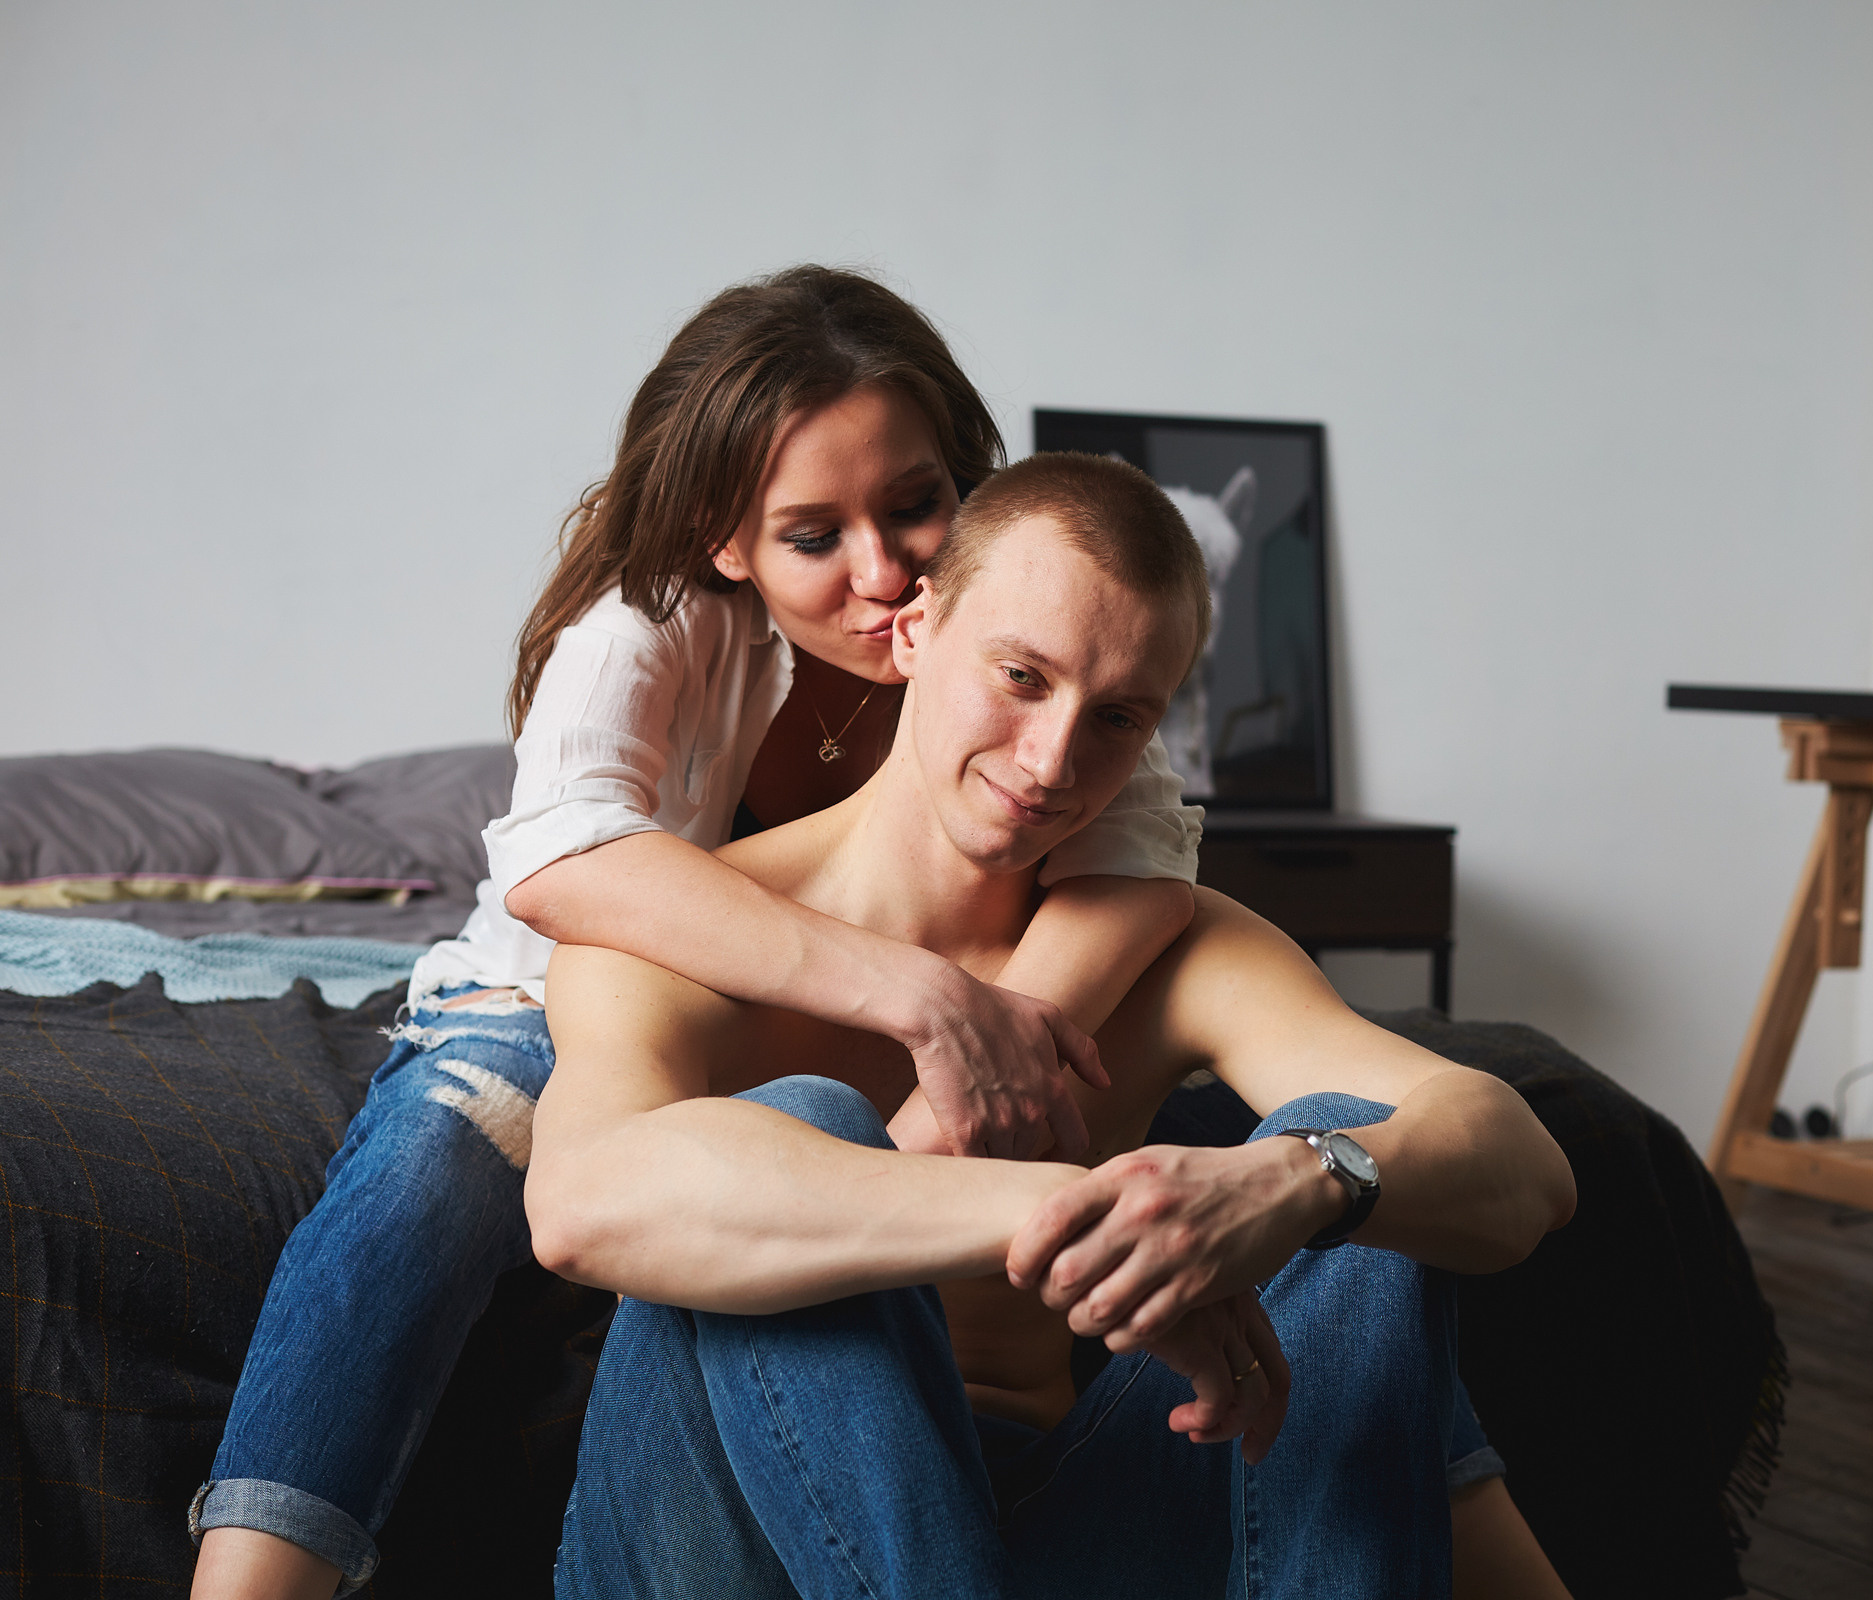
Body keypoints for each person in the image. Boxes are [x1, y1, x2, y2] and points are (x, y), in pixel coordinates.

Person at [188, 269, 1203, 1600]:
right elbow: (559, 859)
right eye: (812, 535)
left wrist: (1003, 1049)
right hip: (565, 993)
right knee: (424, 1181)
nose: (883, 570)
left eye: (913, 506)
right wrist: (916, 998)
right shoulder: (645, 630)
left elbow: (1143, 846)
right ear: (727, 541)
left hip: (858, 1024)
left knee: (1240, 1134)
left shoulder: (1016, 645)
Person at [528, 453, 1580, 1598]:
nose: (1053, 761)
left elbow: (1525, 1164)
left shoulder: (1178, 950)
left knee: (1346, 1154)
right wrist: (1085, 1210)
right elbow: (585, 1205)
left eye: (1118, 715)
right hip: (740, 1539)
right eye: (1023, 675)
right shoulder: (680, 923)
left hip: (1061, 1512)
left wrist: (1288, 1186)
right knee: (802, 1126)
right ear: (917, 627)